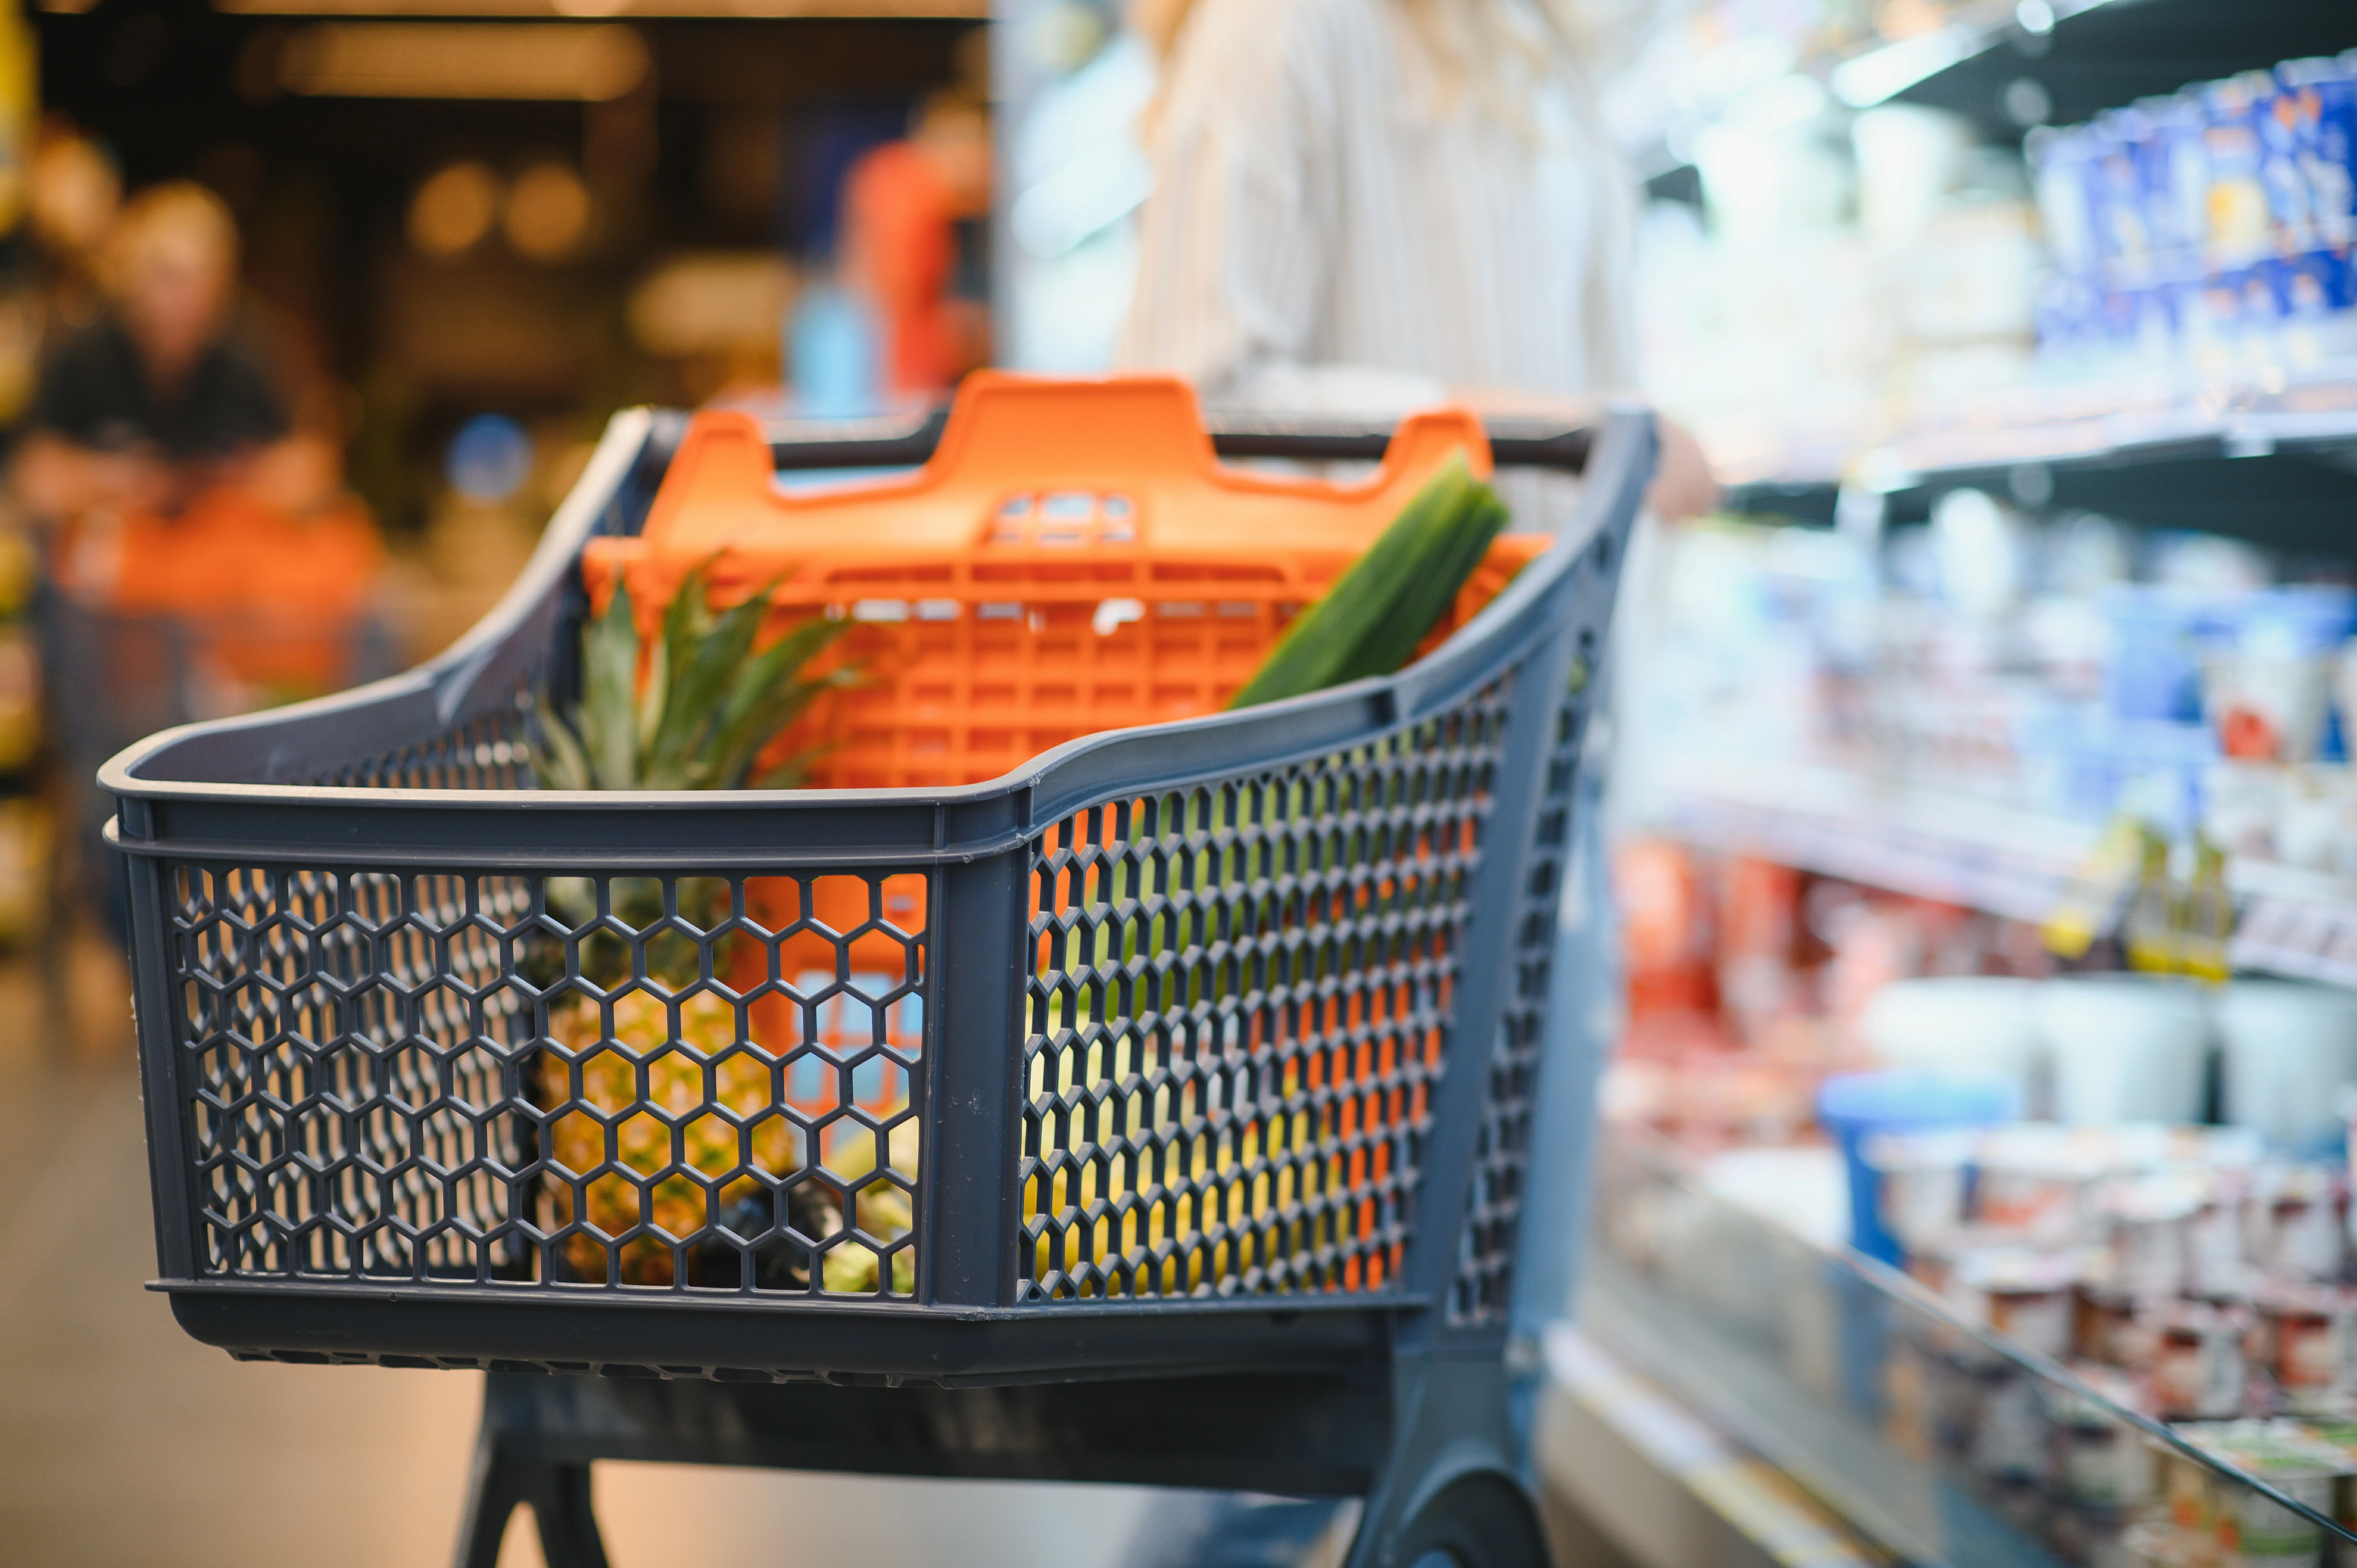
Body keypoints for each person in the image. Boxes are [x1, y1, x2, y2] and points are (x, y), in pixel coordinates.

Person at [1111, 0, 1707, 1559]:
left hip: (1542, 778)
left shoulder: (1542, 46)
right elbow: (1190, 401)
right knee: (1281, 1402)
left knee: (1490, 1376)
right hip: (1353, 813)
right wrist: (1554, 443)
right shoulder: (1282, 34)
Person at [13, 181, 334, 524]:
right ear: (129, 282)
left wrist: (227, 486)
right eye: (165, 278)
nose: (181, 302)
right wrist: (112, 480)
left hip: (215, 561)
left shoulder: (254, 348)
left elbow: (313, 468)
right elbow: (31, 477)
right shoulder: (85, 349)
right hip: (106, 560)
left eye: (198, 283)